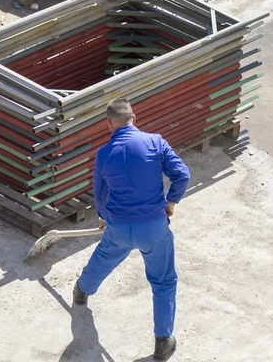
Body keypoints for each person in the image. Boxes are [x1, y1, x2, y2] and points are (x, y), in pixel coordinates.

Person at [73, 98, 190, 361]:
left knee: (104, 258)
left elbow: (100, 194)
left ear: (108, 124)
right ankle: (163, 342)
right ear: (133, 118)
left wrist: (104, 217)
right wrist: (171, 202)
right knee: (163, 282)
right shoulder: (155, 142)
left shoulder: (103, 154)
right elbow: (182, 175)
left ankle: (81, 291)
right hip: (154, 227)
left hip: (119, 227)